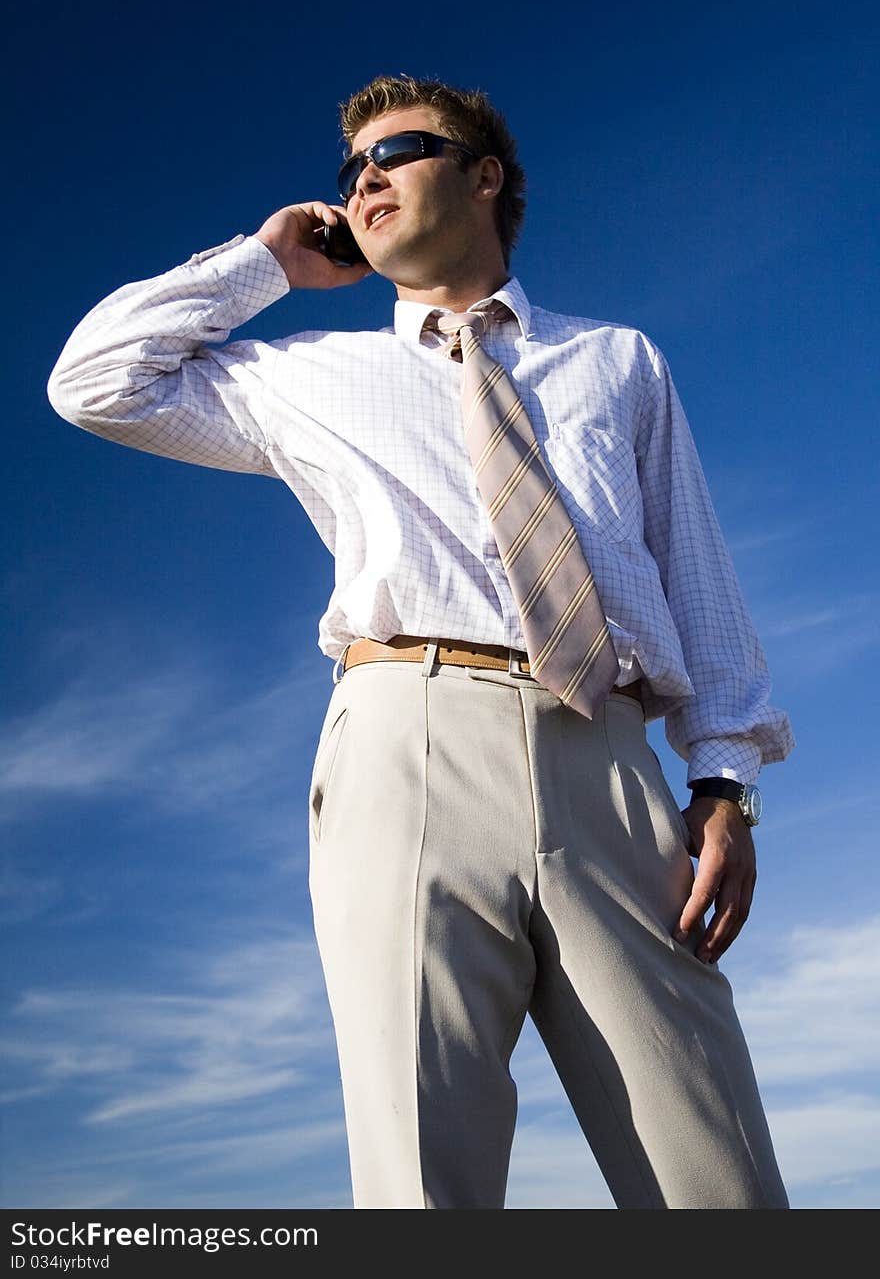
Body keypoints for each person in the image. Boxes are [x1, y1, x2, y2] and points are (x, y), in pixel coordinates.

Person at [48, 74, 794, 1210]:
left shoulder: (618, 361)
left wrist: (726, 785)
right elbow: (94, 382)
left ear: (484, 173)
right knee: (419, 1179)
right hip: (409, 743)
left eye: (394, 152)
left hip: (610, 761)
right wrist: (264, 262)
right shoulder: (302, 377)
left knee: (715, 1180)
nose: (364, 180)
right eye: (351, 171)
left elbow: (696, 579)